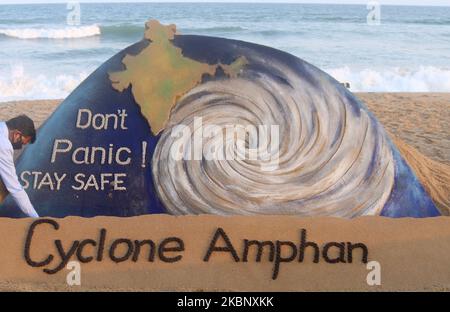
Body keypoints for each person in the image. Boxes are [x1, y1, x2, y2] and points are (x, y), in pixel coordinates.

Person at [0, 115, 39, 218]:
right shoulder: (3, 145)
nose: (20, 147)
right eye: (22, 143)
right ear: (17, 134)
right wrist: (34, 216)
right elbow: (14, 187)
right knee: (4, 184)